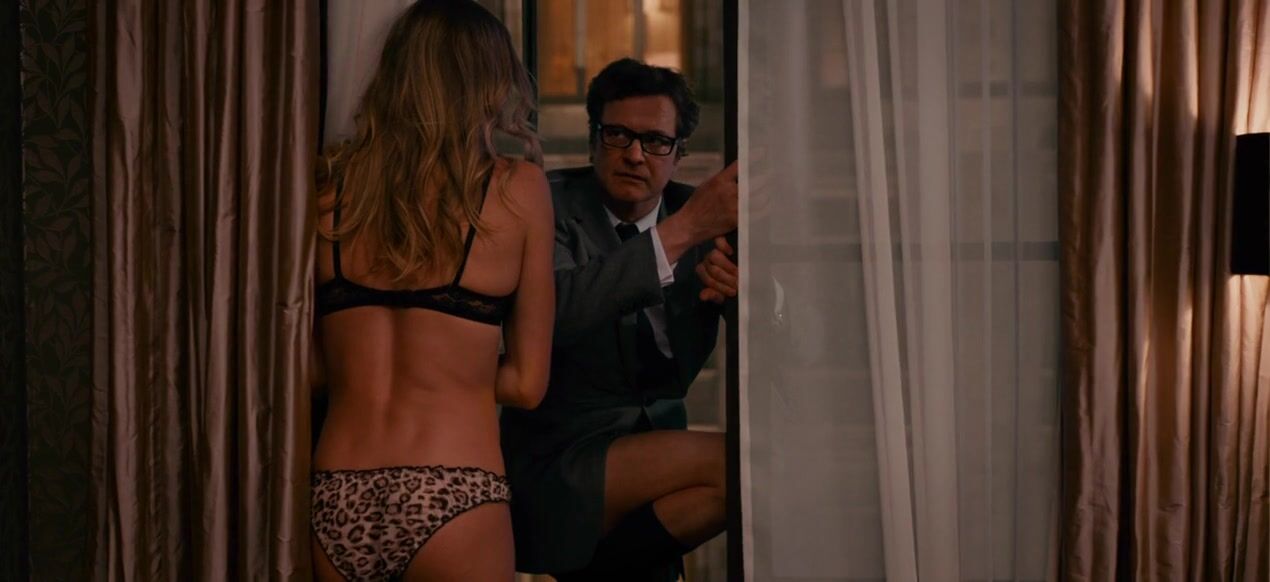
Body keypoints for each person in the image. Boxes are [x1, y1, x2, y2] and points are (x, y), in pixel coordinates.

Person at [309, 1, 554, 580]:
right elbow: (527, 385)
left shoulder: (326, 188)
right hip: (454, 491)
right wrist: (452, 370)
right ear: (490, 83)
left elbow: (311, 371)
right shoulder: (518, 189)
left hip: (337, 494)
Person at [500, 58, 739, 581]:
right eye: (617, 135)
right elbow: (553, 313)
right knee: (739, 467)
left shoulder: (701, 216)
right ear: (593, 140)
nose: (634, 154)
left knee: (741, 482)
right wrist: (679, 234)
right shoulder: (547, 204)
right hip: (560, 457)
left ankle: (595, 575)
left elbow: (804, 337)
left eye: (655, 141)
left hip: (658, 466)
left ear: (679, 154)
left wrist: (752, 298)